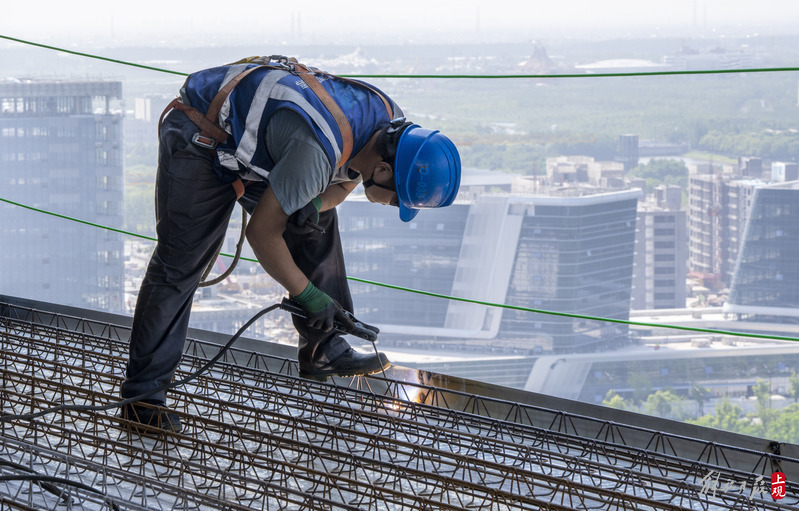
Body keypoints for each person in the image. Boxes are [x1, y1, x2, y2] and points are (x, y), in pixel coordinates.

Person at [119, 56, 461, 432]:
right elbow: (262, 234)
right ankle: (143, 398)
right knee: (180, 264)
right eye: (396, 199)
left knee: (315, 220)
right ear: (383, 170)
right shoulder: (316, 153)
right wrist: (308, 294)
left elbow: (345, 181)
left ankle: (323, 347)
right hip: (201, 133)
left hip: (262, 144)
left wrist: (313, 206)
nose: (393, 206)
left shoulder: (389, 129)